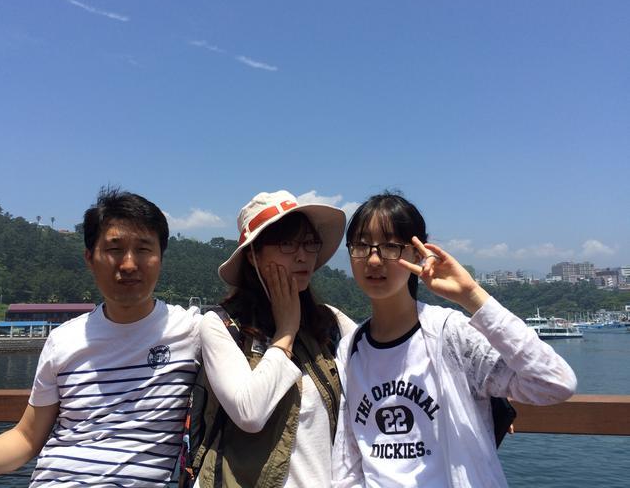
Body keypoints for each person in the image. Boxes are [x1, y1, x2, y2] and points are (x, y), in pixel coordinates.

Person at [0, 188, 201, 487]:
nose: (129, 264)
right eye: (115, 249)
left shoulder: (191, 331)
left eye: (144, 249)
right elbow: (27, 437)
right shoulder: (63, 340)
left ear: (161, 258)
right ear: (90, 258)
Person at [331, 191, 577, 488]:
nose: (373, 259)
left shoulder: (450, 335)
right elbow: (348, 460)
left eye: (390, 247)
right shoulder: (350, 349)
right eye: (361, 245)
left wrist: (471, 295)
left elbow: (554, 383)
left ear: (418, 253)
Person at [192, 190, 357, 488]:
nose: (302, 255)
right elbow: (250, 413)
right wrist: (286, 332)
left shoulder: (331, 323)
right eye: (287, 244)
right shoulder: (223, 325)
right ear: (253, 255)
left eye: (309, 243)